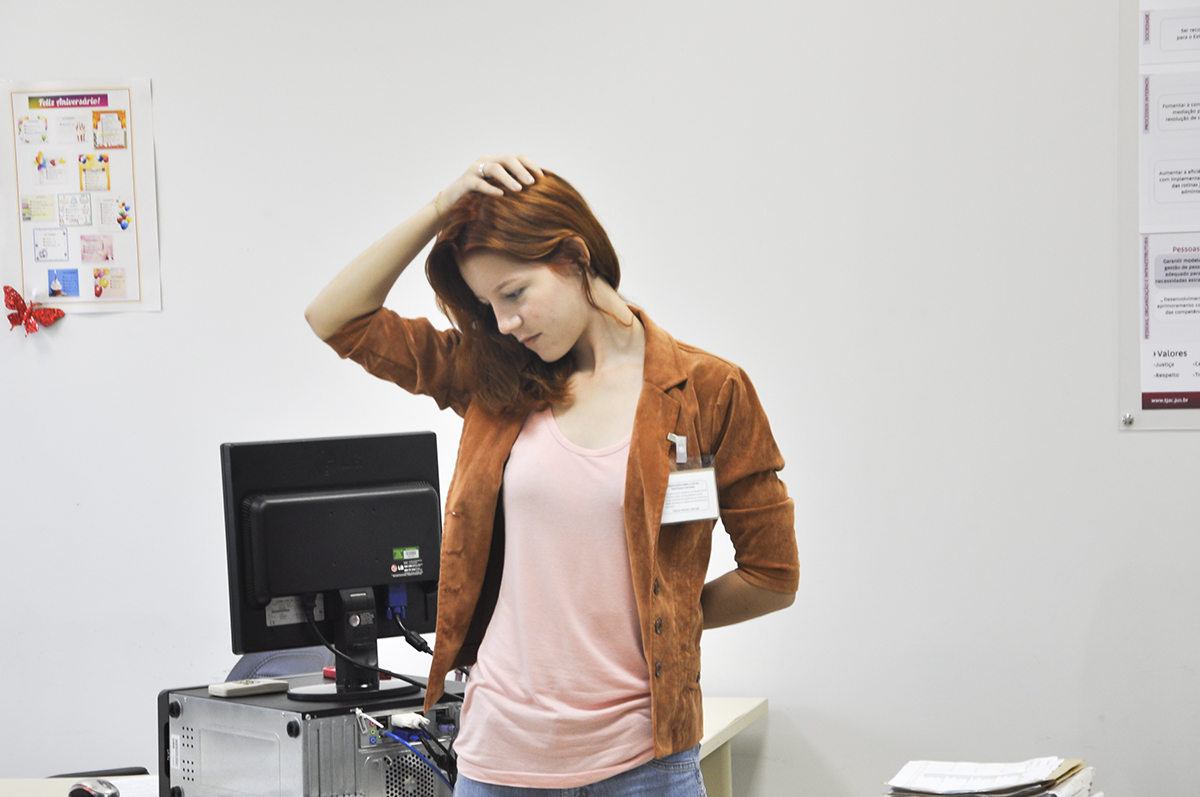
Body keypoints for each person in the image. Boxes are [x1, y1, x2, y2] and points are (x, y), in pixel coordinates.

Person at [306, 155, 799, 797]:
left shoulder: (709, 391)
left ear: (574, 255)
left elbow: (772, 576)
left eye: (514, 294)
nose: (504, 323)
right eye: (488, 304)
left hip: (646, 766)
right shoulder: (494, 379)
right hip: (498, 761)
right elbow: (335, 318)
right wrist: (439, 210)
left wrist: (667, 619)